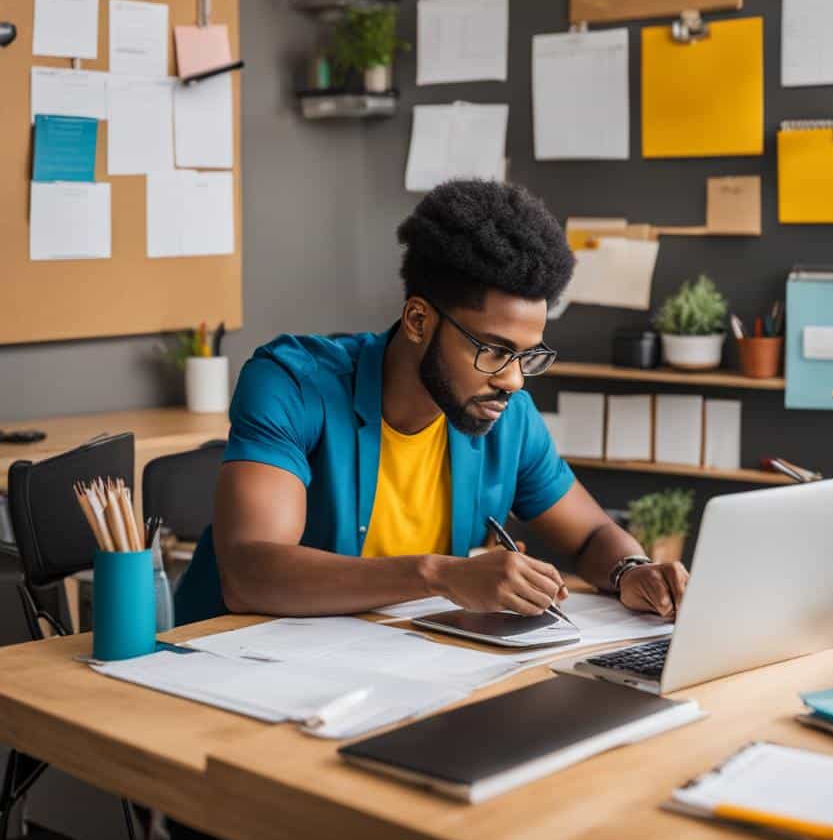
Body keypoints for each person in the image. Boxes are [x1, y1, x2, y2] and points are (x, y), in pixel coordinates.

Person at [175, 179, 689, 629]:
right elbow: (249, 574)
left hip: (387, 667)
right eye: (494, 350)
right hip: (230, 662)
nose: (513, 380)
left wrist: (632, 571)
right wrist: (441, 575)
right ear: (419, 321)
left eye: (526, 357)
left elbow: (591, 535)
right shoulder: (292, 383)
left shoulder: (504, 414)